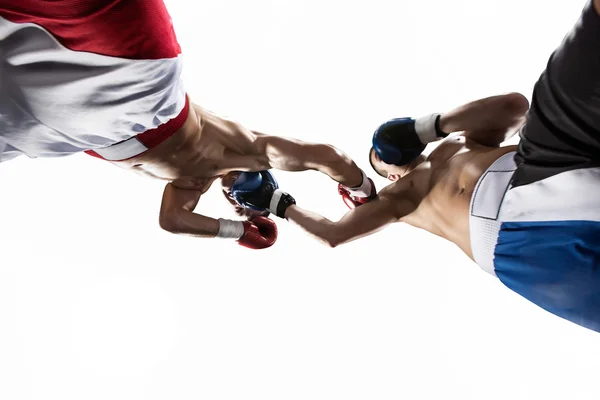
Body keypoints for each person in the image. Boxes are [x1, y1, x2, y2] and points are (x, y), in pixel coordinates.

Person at [242, 0, 600, 333]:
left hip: (544, 167)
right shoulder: (403, 197)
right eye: (379, 160)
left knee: (582, 61)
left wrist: (426, 126)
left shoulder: (460, 141)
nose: (384, 155)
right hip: (515, 238)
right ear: (390, 175)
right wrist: (278, 203)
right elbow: (334, 234)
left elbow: (514, 107)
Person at [0, 0, 376, 249]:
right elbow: (326, 156)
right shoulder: (252, 149)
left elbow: (173, 221)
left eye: (239, 204)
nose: (238, 201)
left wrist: (238, 230)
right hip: (138, 93)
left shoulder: (190, 185)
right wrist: (360, 189)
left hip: (70, 130)